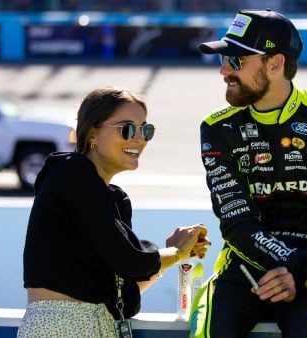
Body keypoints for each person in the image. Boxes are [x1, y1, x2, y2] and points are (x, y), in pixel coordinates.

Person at [190, 9, 307, 338]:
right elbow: (237, 224)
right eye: (223, 59)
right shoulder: (218, 129)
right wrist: (300, 269)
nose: (224, 70)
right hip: (245, 267)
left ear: (276, 63)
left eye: (236, 59)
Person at [17, 87, 209, 338]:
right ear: (93, 132)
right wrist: (175, 252)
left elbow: (125, 296)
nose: (139, 139)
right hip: (59, 327)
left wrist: (173, 255)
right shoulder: (70, 173)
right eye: (127, 128)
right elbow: (130, 261)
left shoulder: (112, 198)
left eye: (146, 130)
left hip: (101, 327)